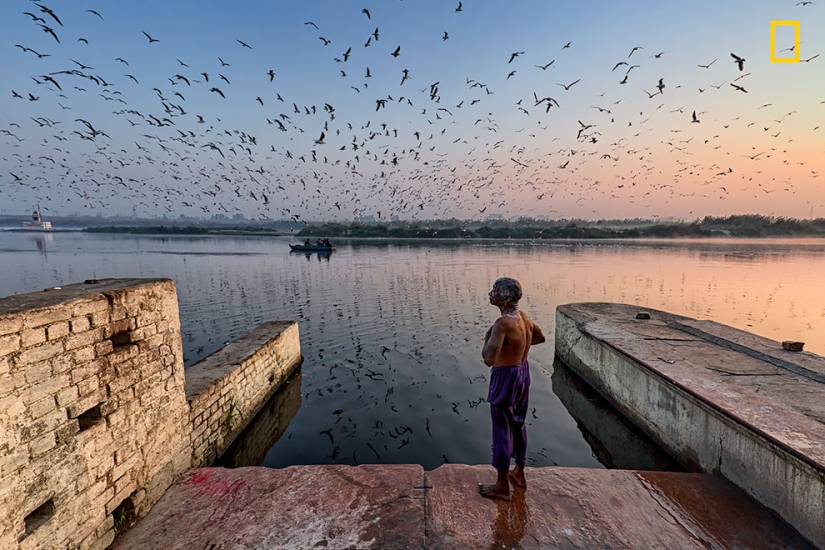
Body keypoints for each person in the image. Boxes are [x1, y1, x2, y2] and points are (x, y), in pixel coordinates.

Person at [479, 277, 545, 501]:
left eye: (494, 291)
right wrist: (516, 348)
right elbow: (539, 337)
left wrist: (488, 337)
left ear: (505, 297)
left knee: (501, 428)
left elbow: (488, 358)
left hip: (505, 377)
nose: (490, 294)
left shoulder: (502, 324)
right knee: (518, 423)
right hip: (522, 373)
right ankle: (519, 473)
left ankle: (501, 486)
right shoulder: (523, 317)